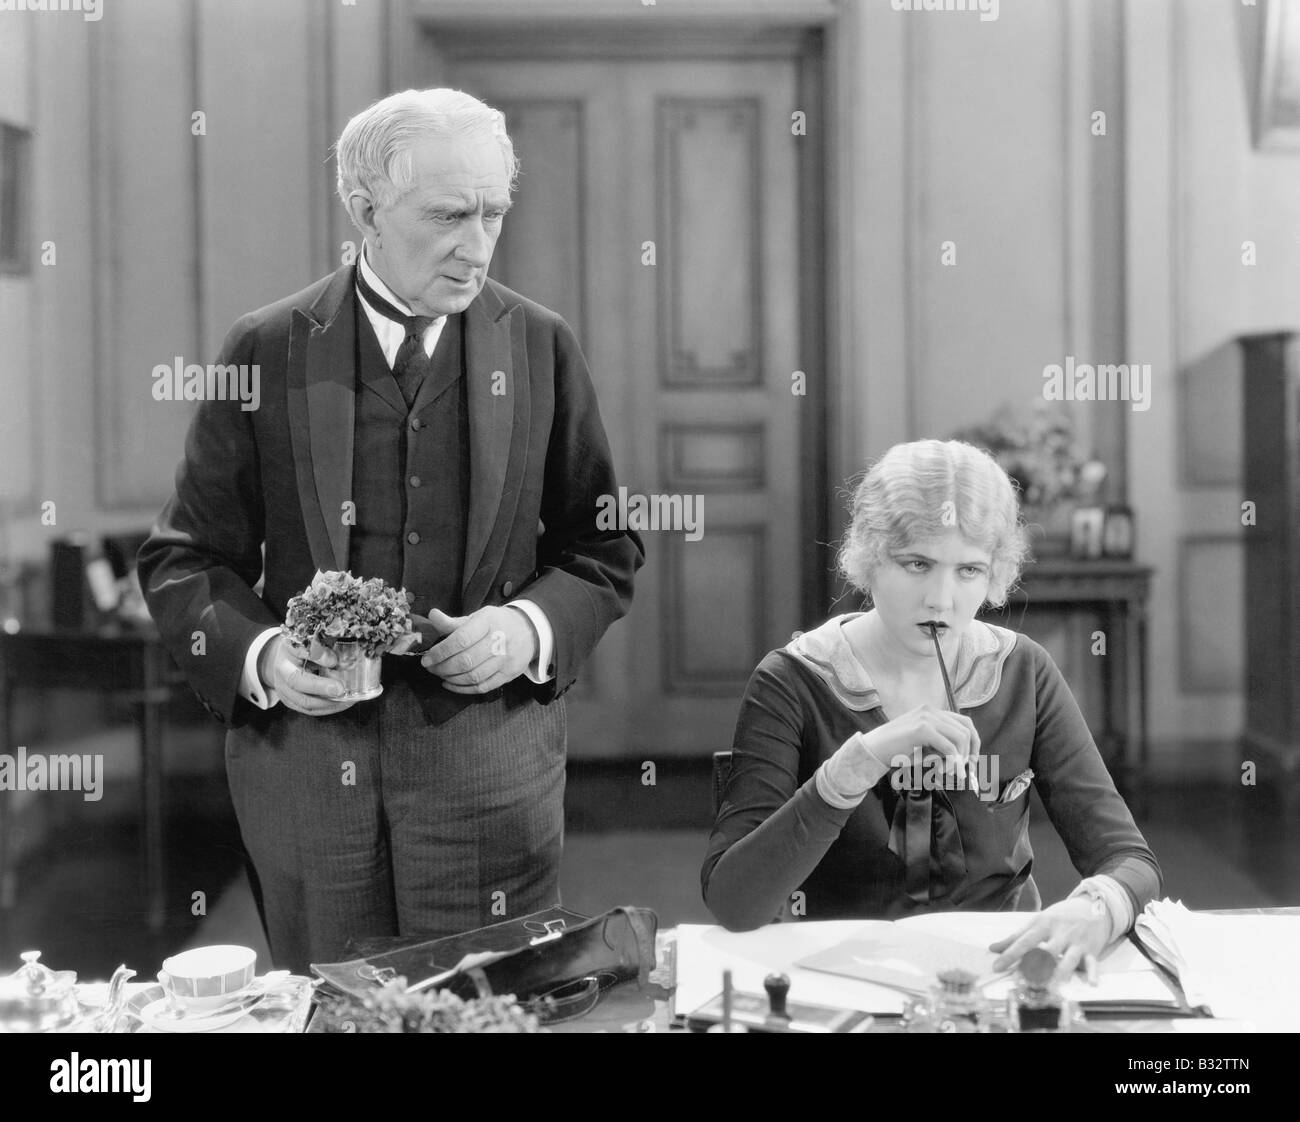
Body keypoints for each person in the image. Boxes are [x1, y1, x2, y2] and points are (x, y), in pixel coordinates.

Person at [138, 88, 643, 972]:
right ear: (365, 211)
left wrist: (526, 626)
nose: (477, 245)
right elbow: (186, 559)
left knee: (492, 1016)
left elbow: (603, 545)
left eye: (493, 213)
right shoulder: (264, 349)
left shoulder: (540, 346)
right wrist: (264, 659)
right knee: (334, 1010)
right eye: (449, 215)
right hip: (306, 770)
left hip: (491, 768)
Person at [701, 439, 1161, 980]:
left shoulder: (1023, 671)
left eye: (968, 570)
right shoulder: (792, 680)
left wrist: (1098, 907)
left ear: (995, 574)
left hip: (998, 979)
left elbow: (1130, 859)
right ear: (869, 559)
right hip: (840, 982)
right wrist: (853, 768)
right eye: (917, 563)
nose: (940, 599)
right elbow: (734, 903)